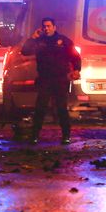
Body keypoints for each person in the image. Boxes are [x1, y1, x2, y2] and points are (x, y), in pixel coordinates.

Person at [21, 17, 81, 145]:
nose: (46, 28)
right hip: (45, 79)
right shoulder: (39, 41)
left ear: (54, 27)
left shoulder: (63, 41)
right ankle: (35, 135)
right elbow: (25, 51)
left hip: (60, 79)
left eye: (49, 26)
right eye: (44, 26)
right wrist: (32, 38)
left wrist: (77, 70)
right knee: (40, 108)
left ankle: (66, 135)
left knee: (61, 108)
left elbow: (75, 57)